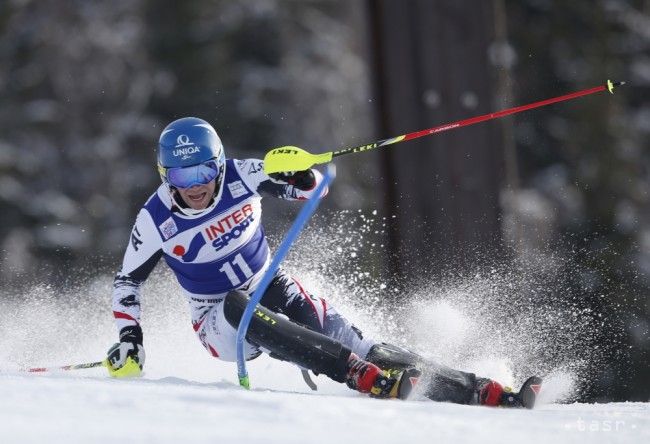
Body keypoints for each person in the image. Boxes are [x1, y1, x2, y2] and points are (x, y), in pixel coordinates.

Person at [105, 116, 520, 406]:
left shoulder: (242, 174)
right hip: (216, 315)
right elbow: (127, 283)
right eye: (181, 177)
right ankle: (353, 373)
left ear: (219, 163)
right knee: (240, 308)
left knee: (346, 335)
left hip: (270, 280)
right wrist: (131, 340)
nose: (195, 187)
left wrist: (301, 175)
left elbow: (313, 191)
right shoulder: (155, 218)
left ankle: (475, 389)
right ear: (165, 176)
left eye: (203, 172)